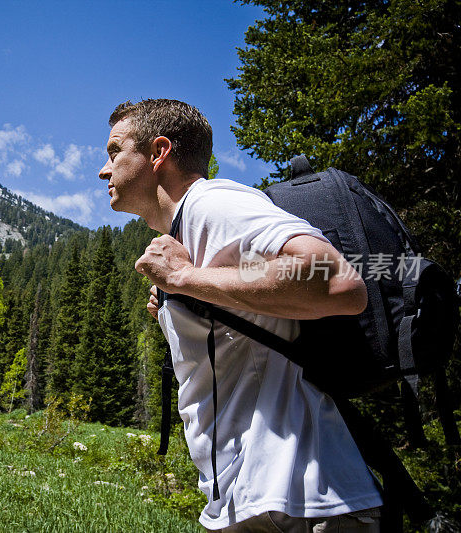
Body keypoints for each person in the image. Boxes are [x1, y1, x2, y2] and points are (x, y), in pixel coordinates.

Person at [98, 99, 383, 532]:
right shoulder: (188, 227)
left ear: (158, 153)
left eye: (115, 150)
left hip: (300, 496)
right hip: (247, 499)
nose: (105, 169)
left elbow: (338, 280)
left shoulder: (212, 202)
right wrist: (183, 295)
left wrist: (186, 278)